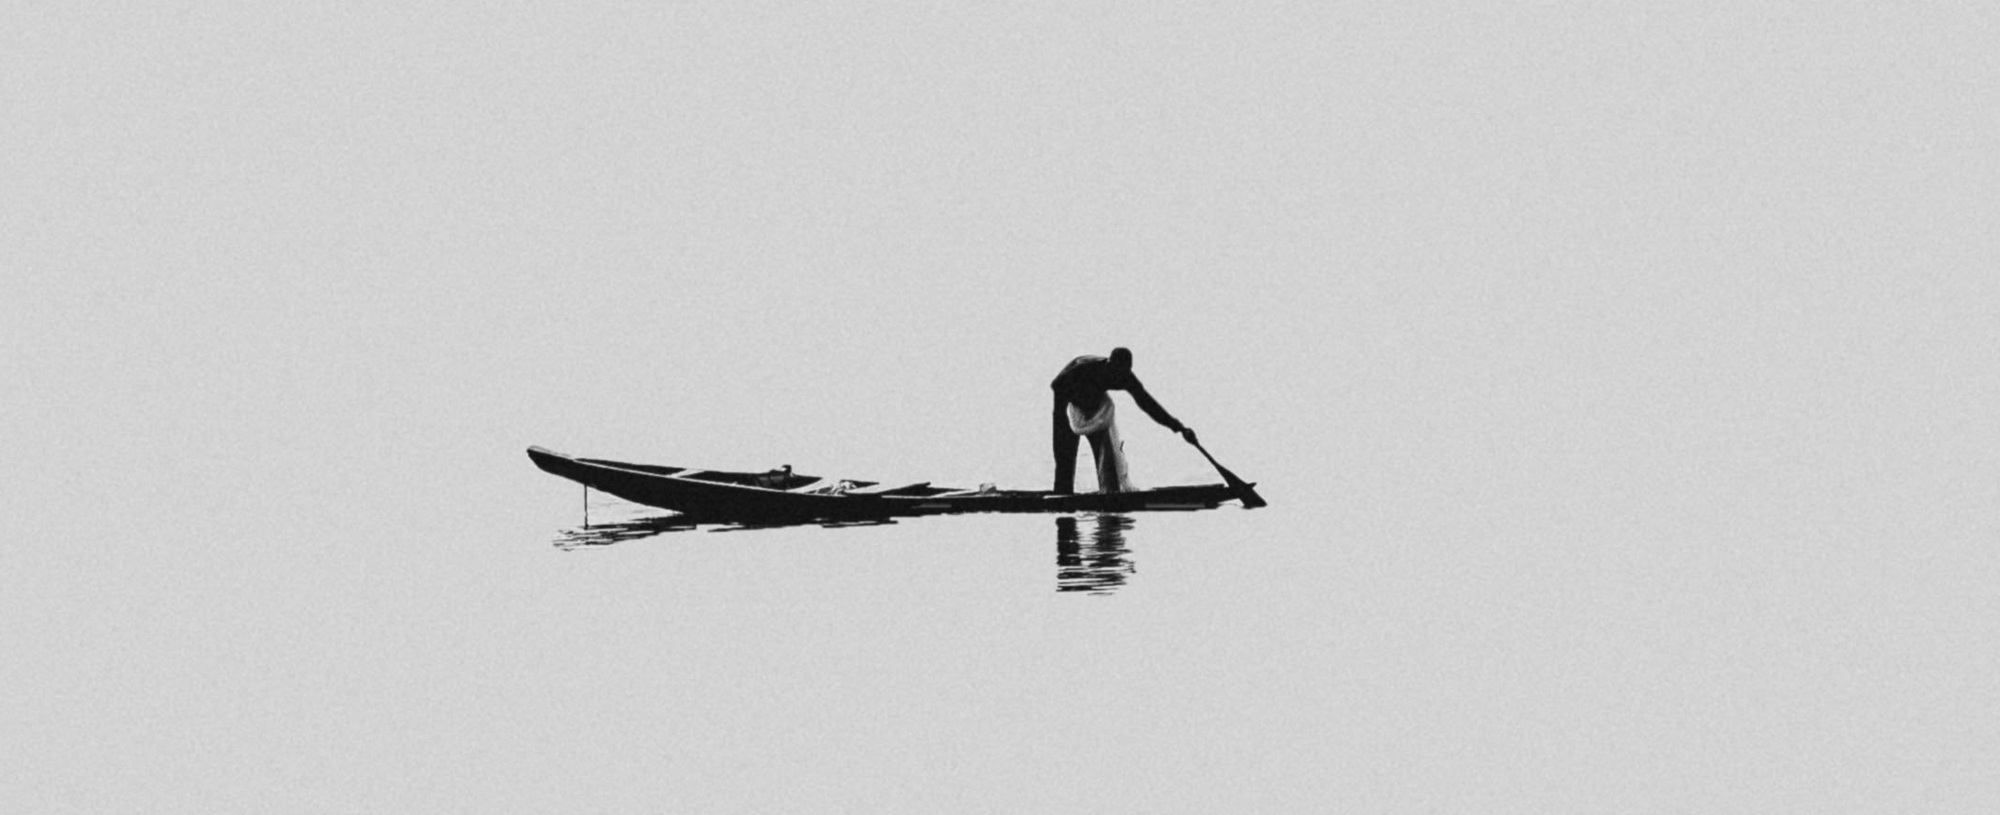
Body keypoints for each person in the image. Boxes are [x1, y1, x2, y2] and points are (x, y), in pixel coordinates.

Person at [1050, 347, 1197, 494]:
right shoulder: (1082, 370)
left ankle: (1110, 495)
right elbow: (1057, 388)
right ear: (1109, 364)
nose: (1118, 376)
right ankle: (1062, 493)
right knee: (1064, 457)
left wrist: (1177, 426)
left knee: (1107, 462)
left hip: (1098, 411)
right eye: (1116, 372)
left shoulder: (1125, 376)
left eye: (1122, 373)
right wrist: (1062, 429)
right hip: (1068, 406)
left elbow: (1147, 404)